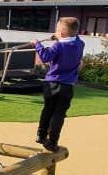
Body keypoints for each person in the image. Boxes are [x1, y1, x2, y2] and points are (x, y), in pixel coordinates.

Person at [32, 17, 85, 152]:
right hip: (67, 86)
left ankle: (41, 134)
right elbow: (74, 36)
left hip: (52, 83)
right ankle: (52, 141)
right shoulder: (80, 44)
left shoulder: (58, 46)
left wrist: (37, 44)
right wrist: (59, 36)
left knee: (48, 110)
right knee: (59, 114)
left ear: (60, 33)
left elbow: (45, 56)